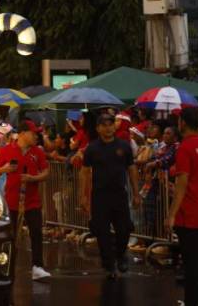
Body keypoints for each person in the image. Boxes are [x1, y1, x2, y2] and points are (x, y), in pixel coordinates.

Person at [168, 106, 198, 306]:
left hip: (188, 216)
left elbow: (181, 185)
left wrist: (171, 214)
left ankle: (191, 302)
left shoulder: (185, 148)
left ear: (183, 123)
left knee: (191, 265)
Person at [80, 113, 141, 279]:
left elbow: (132, 169)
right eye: (104, 125)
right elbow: (84, 172)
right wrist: (83, 197)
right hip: (99, 196)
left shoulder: (124, 146)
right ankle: (109, 265)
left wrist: (136, 193)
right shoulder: (92, 148)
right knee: (102, 232)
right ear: (98, 128)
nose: (108, 128)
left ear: (115, 126)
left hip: (119, 194)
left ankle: (121, 255)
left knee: (124, 229)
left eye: (110, 124)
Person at [0, 119, 51, 281]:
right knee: (10, 236)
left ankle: (37, 267)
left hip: (32, 201)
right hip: (12, 200)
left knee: (36, 233)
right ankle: (6, 267)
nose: (36, 137)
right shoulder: (6, 150)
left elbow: (46, 172)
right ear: (23, 134)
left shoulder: (37, 152)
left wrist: (33, 178)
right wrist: (5, 169)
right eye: (33, 133)